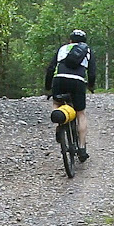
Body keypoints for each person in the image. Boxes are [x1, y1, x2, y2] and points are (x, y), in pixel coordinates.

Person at [45, 29, 96, 162]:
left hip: (59, 79)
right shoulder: (87, 51)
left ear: (70, 40)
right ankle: (82, 148)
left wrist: (48, 87)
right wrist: (91, 86)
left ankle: (58, 126)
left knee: (57, 103)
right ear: (84, 42)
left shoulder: (62, 49)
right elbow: (92, 72)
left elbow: (51, 68)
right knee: (80, 113)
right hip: (77, 82)